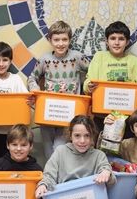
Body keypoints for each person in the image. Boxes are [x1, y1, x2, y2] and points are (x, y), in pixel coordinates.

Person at [35, 115, 116, 199]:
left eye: (87, 136)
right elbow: (49, 175)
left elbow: (109, 175)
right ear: (70, 135)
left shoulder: (98, 155)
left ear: (93, 137)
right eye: (77, 135)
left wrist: (106, 173)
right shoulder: (60, 152)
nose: (82, 141)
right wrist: (43, 185)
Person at [27, 20, 90, 159]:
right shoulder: (45, 59)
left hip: (69, 114)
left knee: (59, 148)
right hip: (47, 114)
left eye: (64, 39)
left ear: (70, 40)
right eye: (56, 40)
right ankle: (53, 179)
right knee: (49, 150)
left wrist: (88, 87)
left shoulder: (77, 57)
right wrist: (36, 90)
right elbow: (32, 78)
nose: (60, 43)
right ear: (50, 40)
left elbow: (92, 73)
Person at [83, 21, 137, 132]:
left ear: (127, 42)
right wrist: (89, 86)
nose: (117, 42)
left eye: (121, 39)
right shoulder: (99, 57)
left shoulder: (134, 61)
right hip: (102, 117)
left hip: (128, 118)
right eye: (113, 38)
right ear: (106, 41)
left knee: (127, 148)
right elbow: (88, 82)